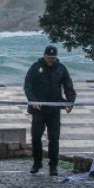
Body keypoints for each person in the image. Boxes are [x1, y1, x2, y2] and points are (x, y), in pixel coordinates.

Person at [24, 45, 76, 176]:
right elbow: (27, 85)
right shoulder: (36, 67)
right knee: (36, 138)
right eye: (49, 57)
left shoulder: (61, 68)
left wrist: (70, 101)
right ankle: (37, 163)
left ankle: (53, 165)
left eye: (53, 57)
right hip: (38, 109)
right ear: (44, 55)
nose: (51, 59)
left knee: (54, 138)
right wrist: (33, 100)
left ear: (56, 57)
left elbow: (68, 85)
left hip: (54, 110)